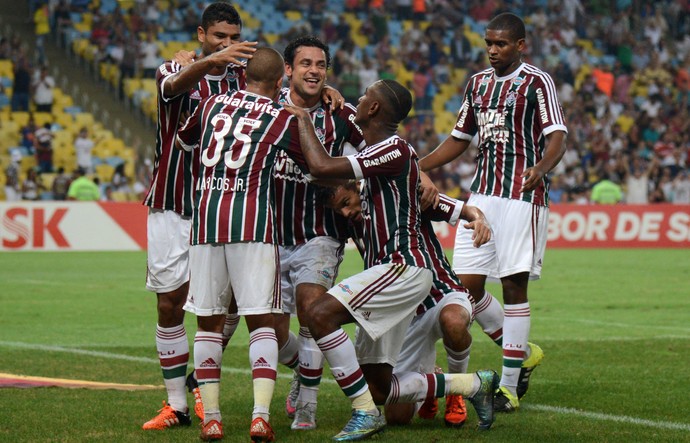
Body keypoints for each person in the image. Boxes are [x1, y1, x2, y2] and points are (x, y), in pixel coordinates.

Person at [285, 79, 498, 441]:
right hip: (391, 275)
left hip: (405, 266)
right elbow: (335, 139)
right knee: (381, 389)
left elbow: (322, 167)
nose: (359, 100)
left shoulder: (395, 149)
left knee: (319, 314)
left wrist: (303, 119)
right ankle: (474, 384)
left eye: (365, 96)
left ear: (373, 109)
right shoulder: (378, 155)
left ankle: (364, 413)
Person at [418, 12, 567, 413]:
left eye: (501, 44)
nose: (492, 51)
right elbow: (458, 139)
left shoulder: (537, 82)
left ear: (520, 45)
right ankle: (522, 352)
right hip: (481, 198)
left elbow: (557, 135)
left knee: (514, 287)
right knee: (466, 289)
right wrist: (419, 166)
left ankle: (509, 387)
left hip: (522, 197)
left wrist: (541, 167)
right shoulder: (477, 85)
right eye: (489, 43)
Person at [175, 47, 317, 442]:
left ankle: (213, 419)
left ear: (245, 76)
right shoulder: (280, 117)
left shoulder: (211, 104)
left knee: (208, 323)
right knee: (262, 323)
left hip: (204, 224)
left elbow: (186, 143)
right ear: (278, 84)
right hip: (253, 225)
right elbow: (314, 166)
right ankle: (259, 417)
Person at [140, 1, 257, 433]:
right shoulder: (176, 68)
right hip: (172, 202)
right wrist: (207, 62)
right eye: (218, 37)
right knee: (169, 302)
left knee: (224, 305)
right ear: (201, 34)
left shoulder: (246, 80)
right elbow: (170, 88)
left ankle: (200, 390)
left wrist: (328, 96)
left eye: (233, 37)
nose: (227, 45)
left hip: (220, 204)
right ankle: (176, 405)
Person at [319, 181, 493, 428]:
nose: (347, 212)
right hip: (403, 312)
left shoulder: (402, 198)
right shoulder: (351, 221)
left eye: (347, 202)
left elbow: (463, 209)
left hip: (441, 292)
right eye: (340, 209)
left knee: (453, 322)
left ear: (357, 188)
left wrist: (480, 220)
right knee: (397, 418)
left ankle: (459, 391)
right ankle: (436, 380)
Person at [271, 35, 363, 431]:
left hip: (320, 232)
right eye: (305, 63)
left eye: (321, 65)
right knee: (271, 331)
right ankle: (302, 369)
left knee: (312, 310)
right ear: (287, 70)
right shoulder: (262, 106)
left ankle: (306, 412)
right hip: (269, 233)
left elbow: (381, 147)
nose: (314, 70)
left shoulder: (342, 114)